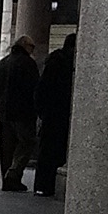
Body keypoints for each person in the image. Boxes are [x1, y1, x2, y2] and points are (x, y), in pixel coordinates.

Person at [33, 32, 77, 196]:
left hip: (51, 114)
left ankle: (43, 185)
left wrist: (42, 111)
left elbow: (41, 89)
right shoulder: (68, 62)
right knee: (58, 150)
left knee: (47, 151)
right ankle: (50, 184)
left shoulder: (54, 61)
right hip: (62, 113)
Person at [0, 35, 39, 192]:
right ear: (26, 46)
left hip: (4, 112)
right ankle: (13, 174)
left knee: (7, 147)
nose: (33, 50)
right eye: (32, 47)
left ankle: (6, 179)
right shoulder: (28, 63)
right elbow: (34, 88)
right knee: (27, 142)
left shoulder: (4, 62)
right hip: (22, 112)